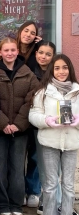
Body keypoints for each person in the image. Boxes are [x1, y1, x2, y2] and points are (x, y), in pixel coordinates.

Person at [0, 37, 38, 215]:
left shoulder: (28, 73)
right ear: (0, 52)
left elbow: (32, 99)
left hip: (20, 131)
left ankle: (15, 205)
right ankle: (1, 205)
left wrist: (18, 124)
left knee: (17, 169)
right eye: (6, 50)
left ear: (18, 51)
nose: (9, 53)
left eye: (13, 50)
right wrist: (3, 123)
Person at [29, 54, 79, 215]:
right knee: (50, 186)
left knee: (69, 186)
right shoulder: (43, 92)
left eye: (65, 67)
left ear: (70, 69)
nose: (61, 71)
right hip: (49, 142)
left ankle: (67, 212)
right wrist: (47, 120)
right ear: (52, 70)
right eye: (57, 68)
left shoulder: (77, 91)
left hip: (71, 142)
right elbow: (33, 115)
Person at [15, 21, 43, 208]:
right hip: (15, 111)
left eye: (32, 33)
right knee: (17, 157)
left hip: (34, 111)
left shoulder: (36, 53)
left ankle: (32, 191)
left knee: (33, 155)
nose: (28, 34)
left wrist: (40, 44)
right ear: (20, 32)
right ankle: (17, 191)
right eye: (26, 30)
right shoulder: (11, 49)